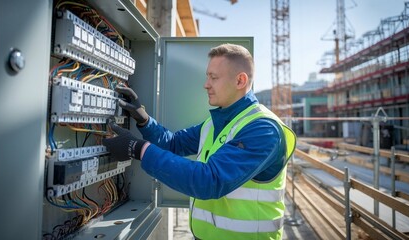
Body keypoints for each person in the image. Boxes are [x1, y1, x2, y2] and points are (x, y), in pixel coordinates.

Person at [103, 43, 296, 240]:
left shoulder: (263, 129)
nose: (206, 84)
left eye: (214, 77)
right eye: (207, 76)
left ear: (240, 80)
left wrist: (139, 148)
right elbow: (174, 143)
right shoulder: (214, 124)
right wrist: (143, 119)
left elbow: (209, 181)